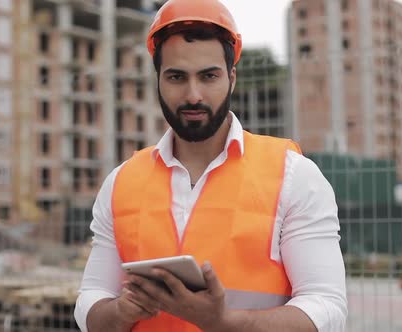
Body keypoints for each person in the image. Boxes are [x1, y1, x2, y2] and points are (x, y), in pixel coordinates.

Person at [74, 0, 347, 331]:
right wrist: (120, 312)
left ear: (231, 78)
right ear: (158, 79)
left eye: (208, 76)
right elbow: (91, 297)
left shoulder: (294, 176)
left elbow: (327, 308)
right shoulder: (121, 183)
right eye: (176, 77)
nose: (193, 94)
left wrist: (224, 322)